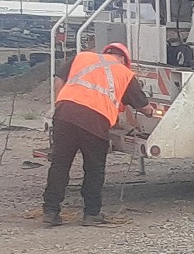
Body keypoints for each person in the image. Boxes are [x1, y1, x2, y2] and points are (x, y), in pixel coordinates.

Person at [42, 41, 150, 227]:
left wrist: (60, 104)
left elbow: (59, 80)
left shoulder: (83, 57)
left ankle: (50, 211)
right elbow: (144, 107)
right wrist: (152, 112)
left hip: (64, 116)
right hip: (94, 123)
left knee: (60, 164)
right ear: (124, 59)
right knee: (94, 169)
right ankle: (91, 214)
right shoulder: (124, 73)